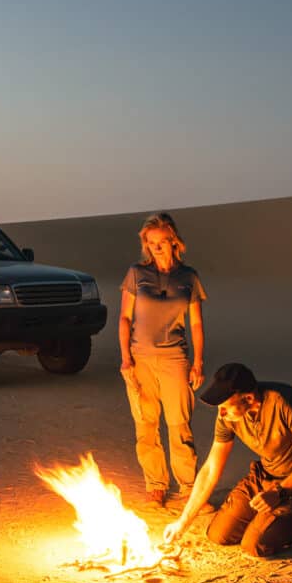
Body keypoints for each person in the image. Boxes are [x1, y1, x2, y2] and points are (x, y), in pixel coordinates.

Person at [163, 363, 292, 557]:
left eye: (225, 406)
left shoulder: (284, 401)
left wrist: (279, 492)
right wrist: (183, 522)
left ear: (248, 398)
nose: (221, 413)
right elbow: (211, 468)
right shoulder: (227, 417)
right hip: (265, 475)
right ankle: (270, 518)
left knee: (255, 545)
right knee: (218, 534)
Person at [119, 213, 207, 507]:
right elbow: (125, 317)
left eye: (162, 241)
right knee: (145, 423)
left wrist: (198, 363)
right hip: (140, 357)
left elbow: (195, 323)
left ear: (174, 241)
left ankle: (188, 485)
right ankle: (156, 484)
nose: (156, 247)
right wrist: (125, 359)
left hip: (175, 358)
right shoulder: (136, 273)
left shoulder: (188, 277)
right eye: (151, 242)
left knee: (179, 423)